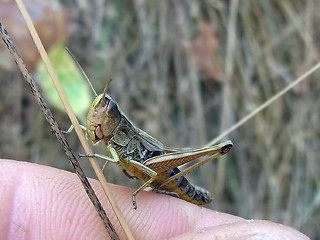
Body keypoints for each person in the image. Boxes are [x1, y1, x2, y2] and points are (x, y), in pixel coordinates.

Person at [0, 159, 309, 240]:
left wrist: (137, 190)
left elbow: (139, 169)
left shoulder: (126, 139)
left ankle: (195, 188)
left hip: (163, 170)